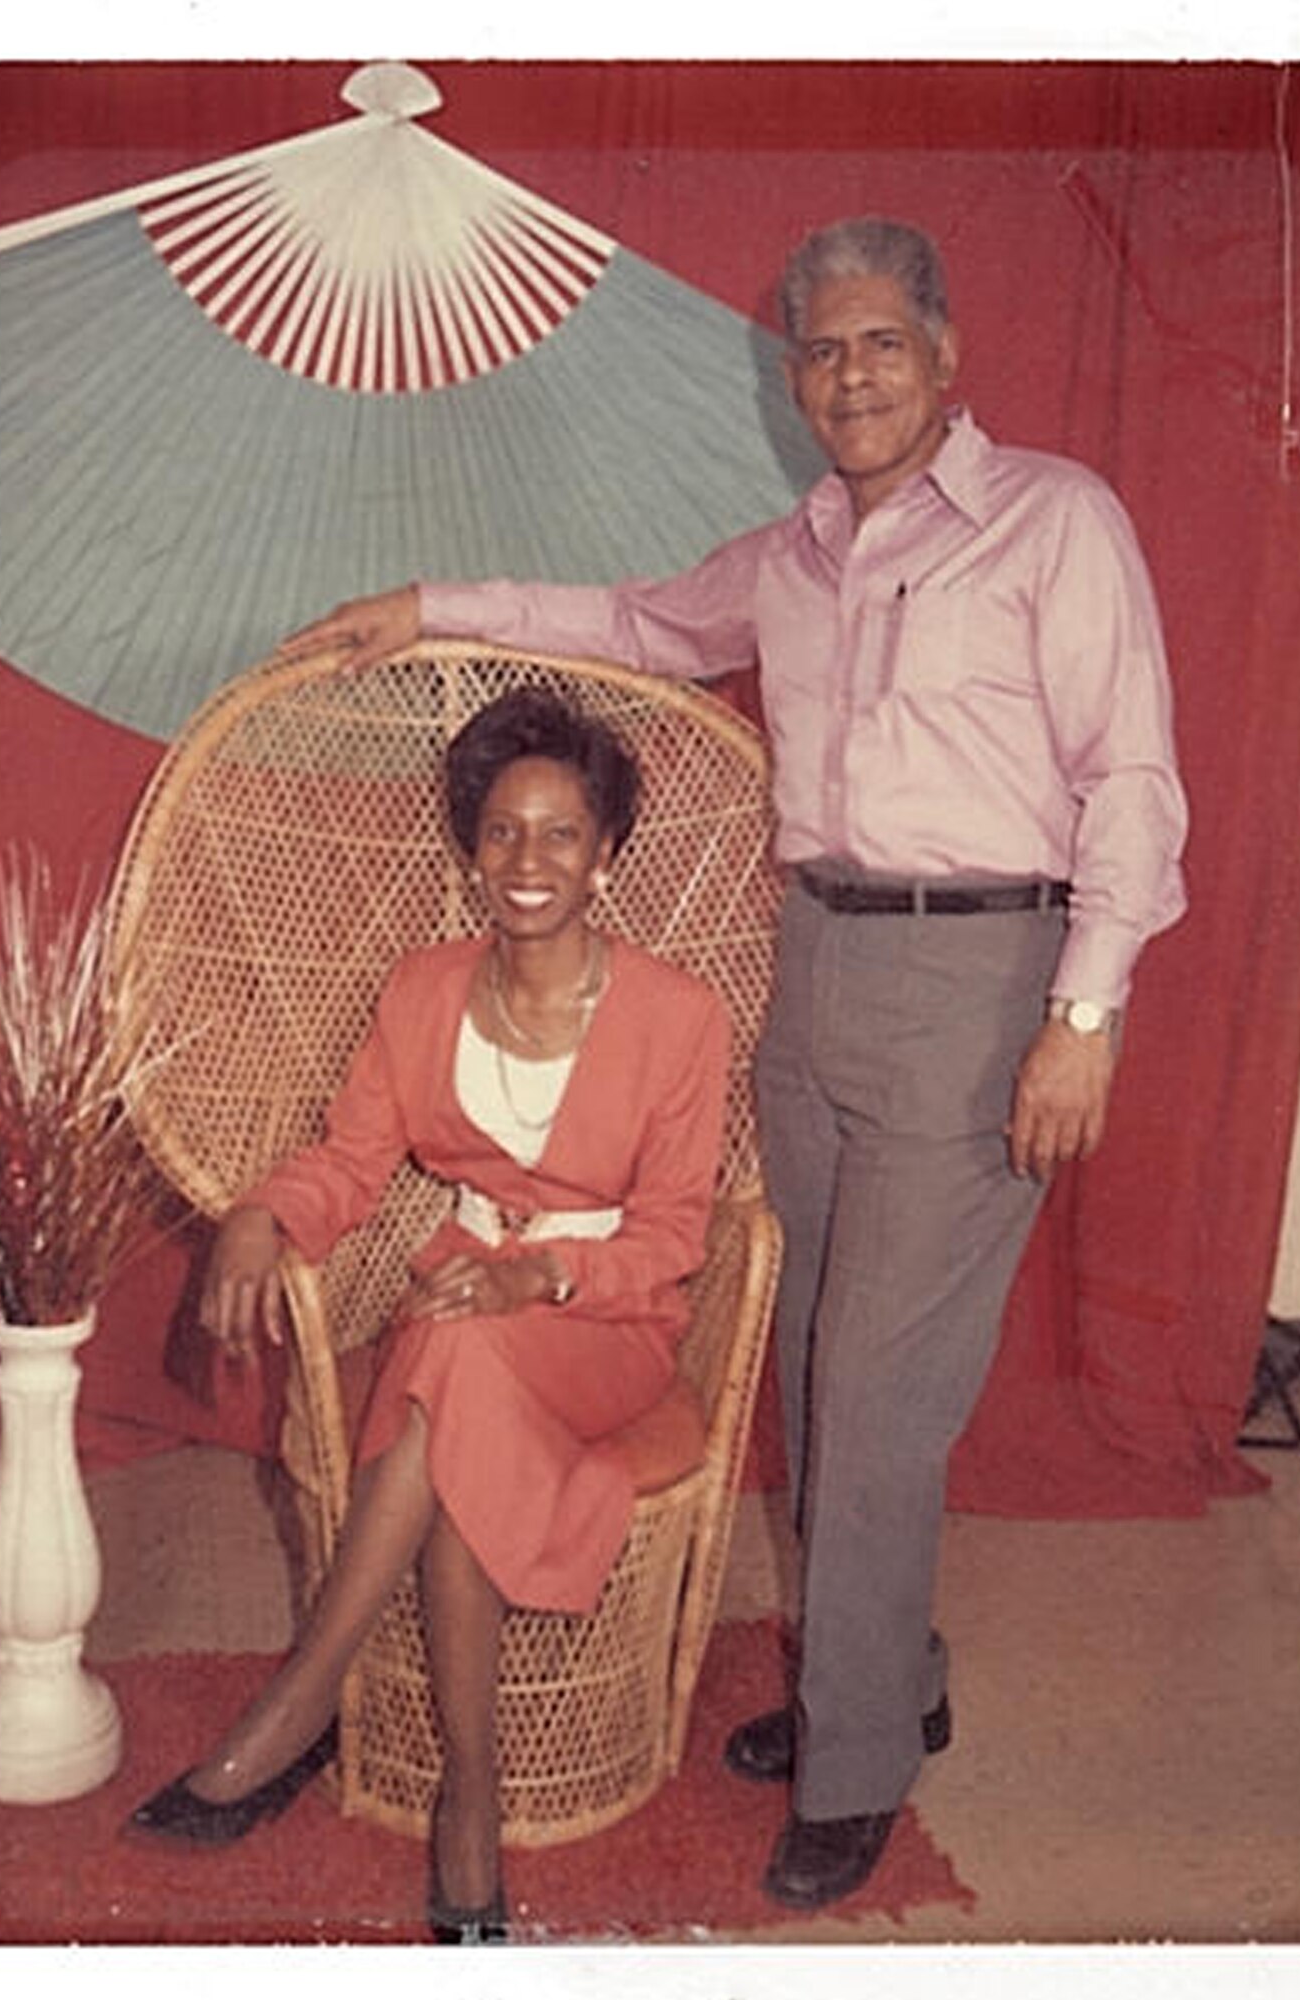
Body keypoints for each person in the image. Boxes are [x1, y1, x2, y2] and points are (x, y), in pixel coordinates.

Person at [279, 216, 1189, 1912]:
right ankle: (880, 1667)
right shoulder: (789, 555)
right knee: (814, 1371)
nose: (849, 375)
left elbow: (1128, 778)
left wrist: (1080, 1011)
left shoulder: (1055, 524)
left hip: (984, 975)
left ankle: (852, 1762)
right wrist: (423, 605)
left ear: (942, 357)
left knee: (875, 1390)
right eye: (820, 352)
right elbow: (627, 621)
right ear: (794, 380)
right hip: (818, 964)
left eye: (878, 345)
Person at [127, 688, 732, 1942]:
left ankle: (300, 1701)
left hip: (604, 1319)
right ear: (468, 846)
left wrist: (542, 1276)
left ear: (605, 851)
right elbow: (351, 1163)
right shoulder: (420, 989)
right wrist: (261, 1215)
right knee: (458, 1374)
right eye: (501, 831)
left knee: (451, 1346)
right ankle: (473, 1791)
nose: (528, 862)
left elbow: (676, 1234)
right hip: (465, 1304)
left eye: (560, 833)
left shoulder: (677, 1017)